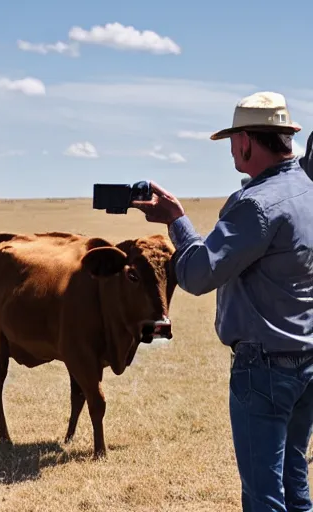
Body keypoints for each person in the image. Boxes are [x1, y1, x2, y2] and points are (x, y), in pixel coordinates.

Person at [133, 91, 313, 511]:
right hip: (305, 361)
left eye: (233, 139)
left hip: (264, 369)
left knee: (264, 496)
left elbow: (196, 275)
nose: (233, 148)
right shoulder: (306, 189)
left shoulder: (256, 205)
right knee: (295, 484)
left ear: (247, 141)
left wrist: (176, 221)